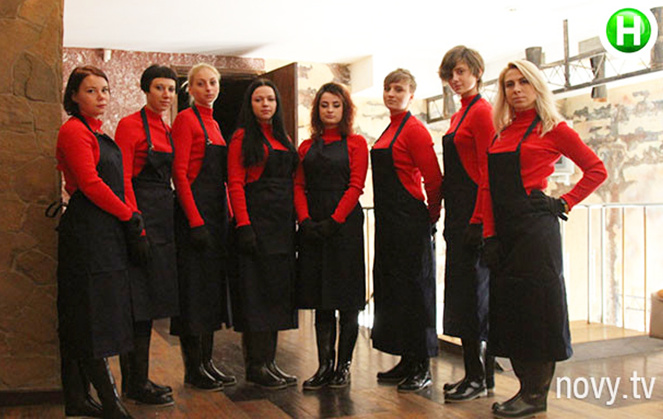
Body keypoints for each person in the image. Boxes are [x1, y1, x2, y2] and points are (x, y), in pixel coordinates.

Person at [480, 60, 607, 418]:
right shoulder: (501, 133)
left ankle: (536, 396)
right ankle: (524, 390)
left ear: (537, 86)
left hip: (536, 233)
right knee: (513, 312)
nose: (516, 89)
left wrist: (563, 202)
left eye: (524, 82)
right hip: (505, 234)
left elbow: (597, 170)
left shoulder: (554, 129)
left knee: (537, 312)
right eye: (509, 84)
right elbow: (487, 188)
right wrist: (489, 234)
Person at [56, 65, 145, 418]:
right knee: (88, 314)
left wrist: (128, 217)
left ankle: (79, 399)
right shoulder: (73, 131)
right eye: (91, 91)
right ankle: (110, 403)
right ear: (74, 96)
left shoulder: (98, 132)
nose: (100, 97)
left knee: (99, 312)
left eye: (104, 90)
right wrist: (127, 214)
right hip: (87, 232)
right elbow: (90, 183)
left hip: (106, 231)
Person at [371, 69, 443, 392]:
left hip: (410, 222)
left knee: (416, 293)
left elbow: (434, 179)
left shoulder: (414, 130)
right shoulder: (389, 129)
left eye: (398, 89)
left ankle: (422, 366)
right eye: (388, 88)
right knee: (394, 290)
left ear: (411, 95)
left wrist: (431, 218)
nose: (391, 94)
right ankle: (405, 359)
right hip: (388, 223)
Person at [294, 83, 369, 390]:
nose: (330, 110)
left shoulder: (357, 143)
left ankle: (343, 367)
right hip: (313, 225)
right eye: (324, 105)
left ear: (345, 109)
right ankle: (324, 366)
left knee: (347, 299)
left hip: (344, 226)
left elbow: (356, 185)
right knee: (321, 299)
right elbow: (298, 185)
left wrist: (335, 220)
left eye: (336, 105)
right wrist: (304, 220)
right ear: (317, 110)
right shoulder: (305, 147)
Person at [115, 64, 180, 406]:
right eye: (159, 87)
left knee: (152, 303)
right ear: (146, 89)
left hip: (164, 218)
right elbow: (123, 178)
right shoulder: (129, 125)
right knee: (137, 305)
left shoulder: (167, 129)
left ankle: (140, 379)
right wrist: (135, 226)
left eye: (170, 89)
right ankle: (134, 383)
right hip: (141, 217)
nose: (166, 94)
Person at [228, 78, 299, 390]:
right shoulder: (242, 137)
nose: (265, 104)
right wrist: (243, 225)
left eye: (270, 99)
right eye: (259, 100)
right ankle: (256, 366)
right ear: (250, 104)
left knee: (276, 295)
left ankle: (270, 362)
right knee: (256, 295)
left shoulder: (284, 137)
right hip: (256, 225)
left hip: (281, 227)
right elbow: (235, 183)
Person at [171, 63, 235, 392]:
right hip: (194, 217)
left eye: (212, 83)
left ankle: (208, 363)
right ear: (190, 89)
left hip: (216, 214)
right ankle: (193, 369)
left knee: (210, 292)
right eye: (200, 83)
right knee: (194, 293)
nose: (208, 88)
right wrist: (195, 221)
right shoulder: (185, 119)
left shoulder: (215, 124)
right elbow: (180, 174)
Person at [437, 46, 495, 402]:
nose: (455, 79)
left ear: (477, 71)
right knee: (462, 294)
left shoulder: (483, 111)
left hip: (474, 214)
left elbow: (488, 170)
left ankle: (480, 378)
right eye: (450, 74)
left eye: (460, 71)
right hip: (458, 214)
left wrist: (478, 219)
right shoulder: (460, 114)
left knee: (475, 296)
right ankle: (474, 374)